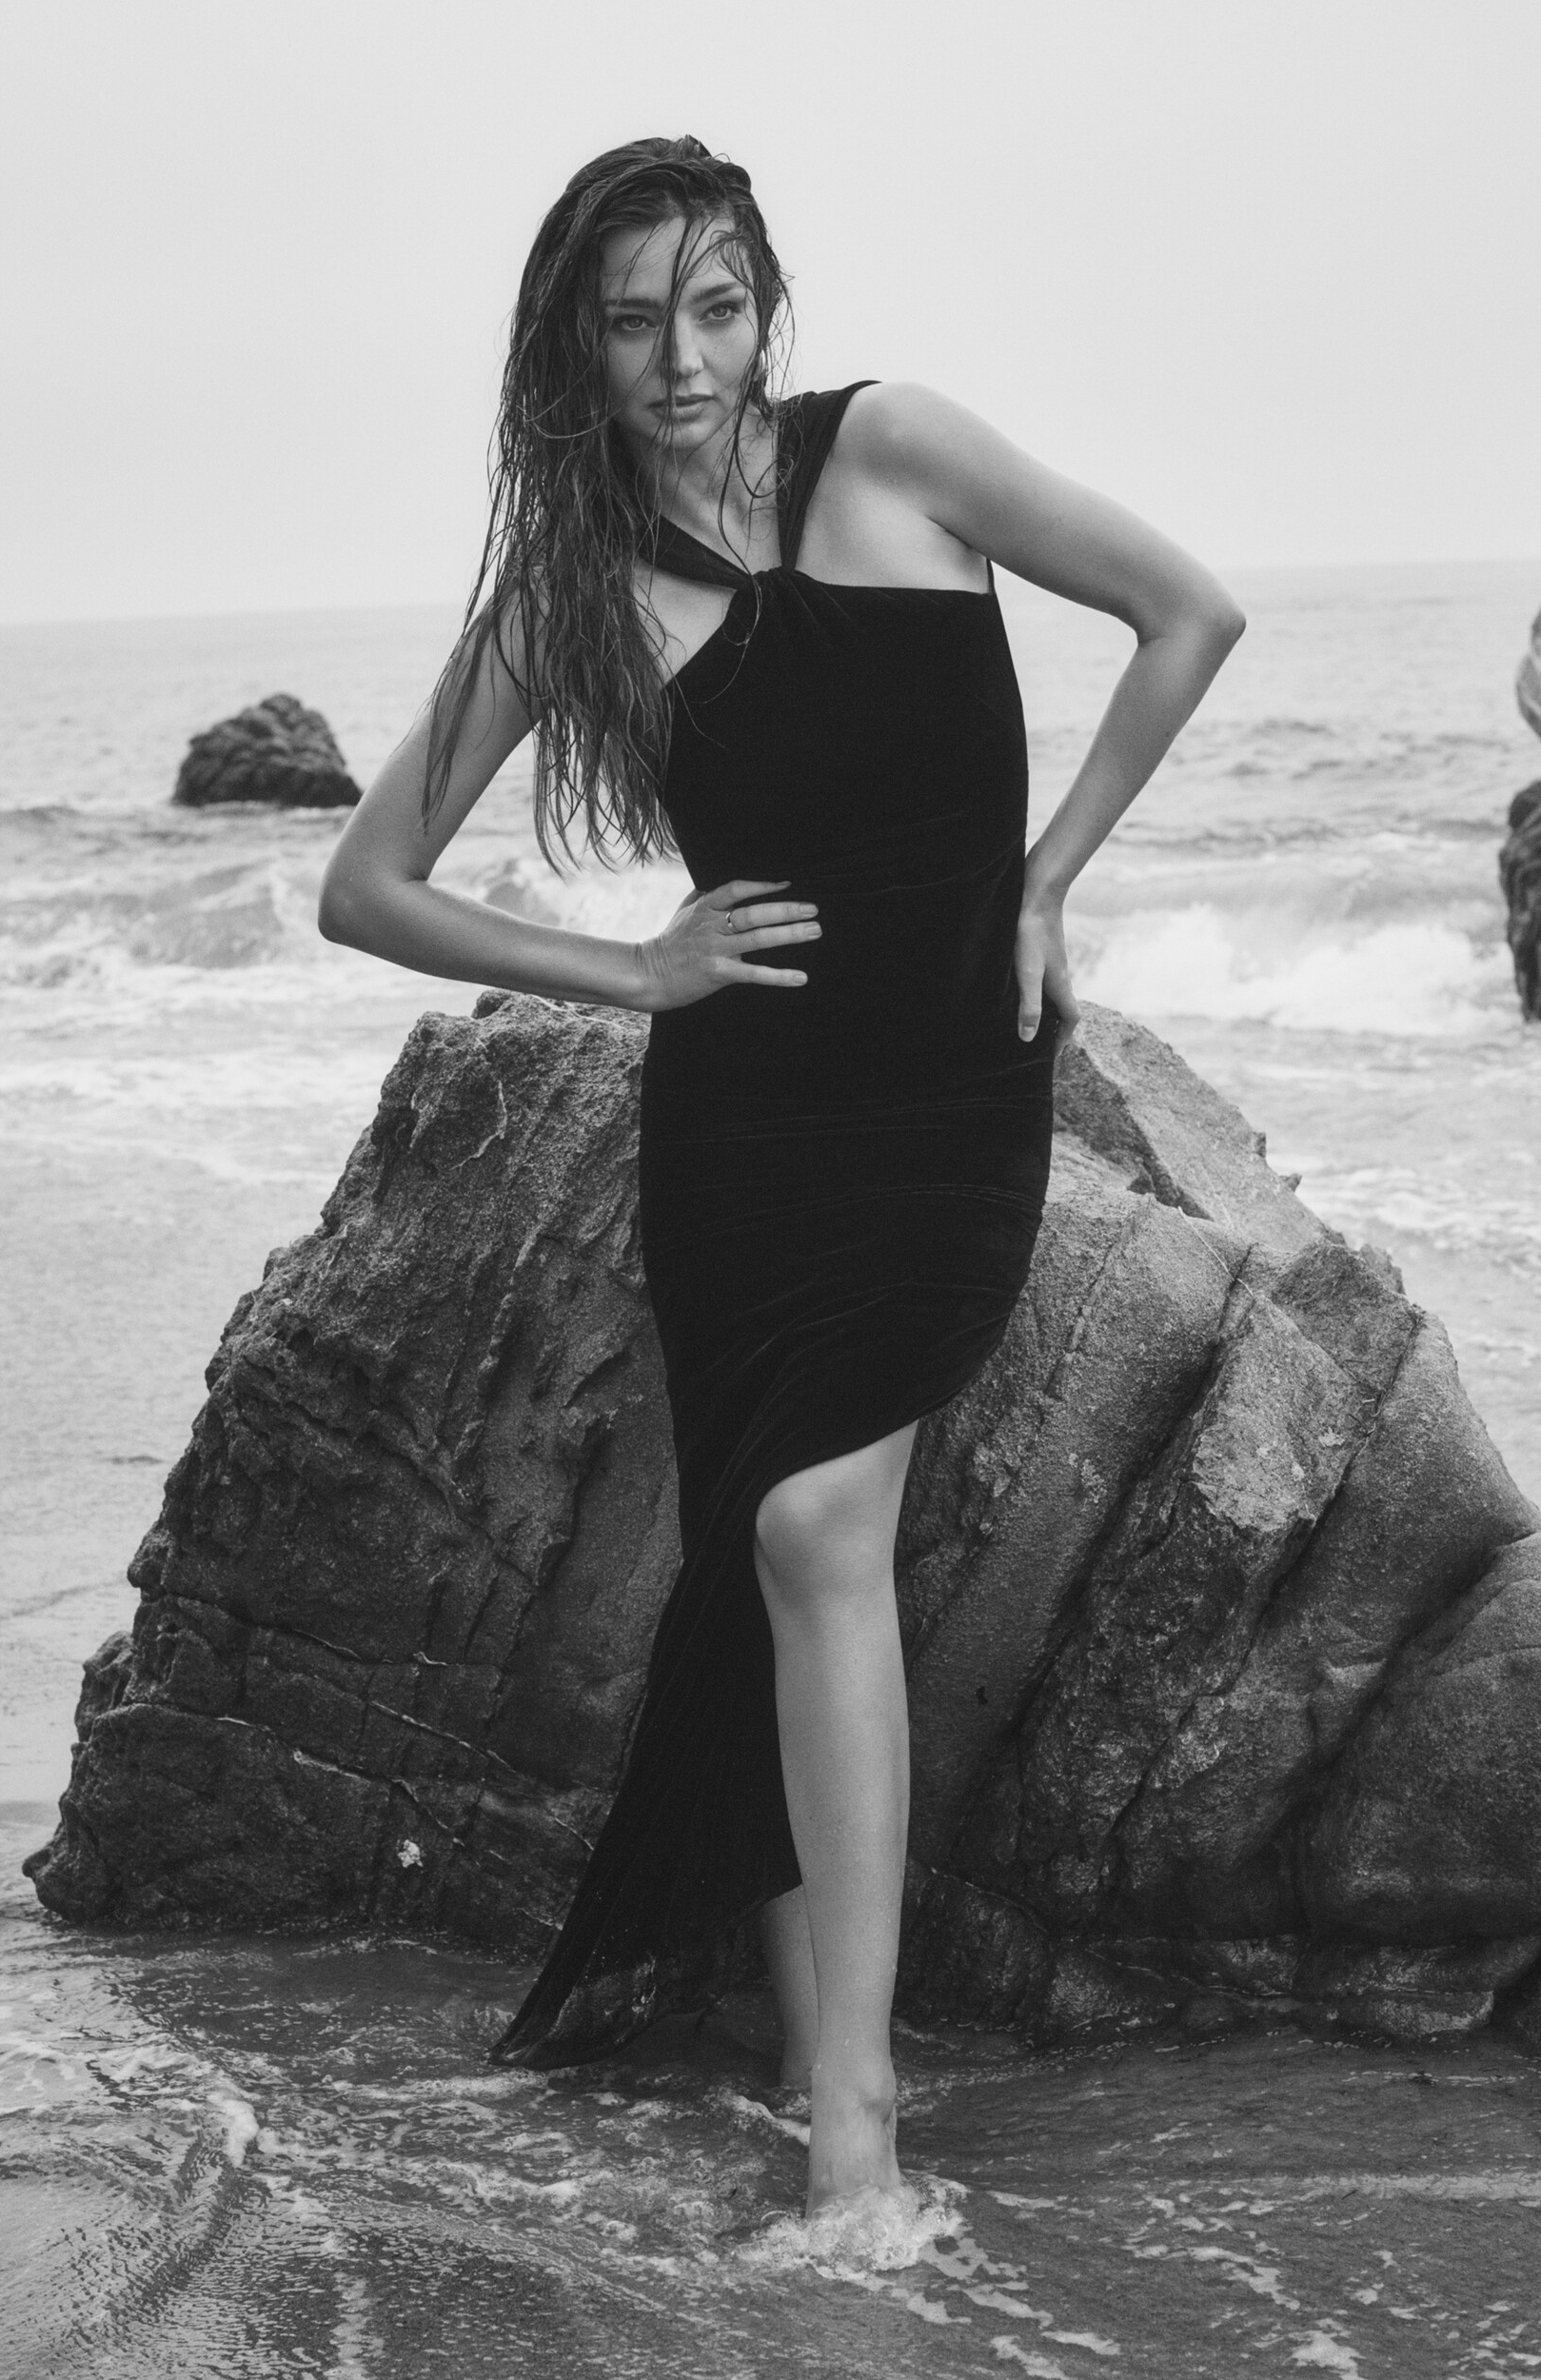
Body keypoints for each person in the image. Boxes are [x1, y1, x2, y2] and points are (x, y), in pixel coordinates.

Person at [318, 134, 1243, 2221]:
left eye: (717, 306)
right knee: (791, 1553)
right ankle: (840, 2090)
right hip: (743, 1132)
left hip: (947, 1092)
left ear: (765, 306)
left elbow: (1187, 614)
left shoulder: (898, 449)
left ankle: (848, 2103)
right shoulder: (573, 587)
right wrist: (636, 969)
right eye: (636, 320)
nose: (685, 358)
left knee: (812, 1527)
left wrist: (1044, 880)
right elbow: (366, 885)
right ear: (578, 345)